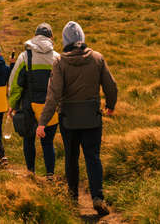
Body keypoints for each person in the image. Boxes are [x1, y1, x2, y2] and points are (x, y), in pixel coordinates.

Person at [37, 21, 117, 215]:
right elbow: (111, 86)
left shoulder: (60, 62)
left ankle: (72, 200)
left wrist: (42, 122)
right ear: (81, 38)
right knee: (93, 157)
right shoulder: (97, 58)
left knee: (71, 158)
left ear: (65, 41)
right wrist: (110, 106)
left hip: (69, 120)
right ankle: (97, 197)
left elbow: (53, 95)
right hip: (92, 118)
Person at [8, 23, 60, 178]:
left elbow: (15, 83)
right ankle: (50, 175)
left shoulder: (24, 57)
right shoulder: (57, 57)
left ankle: (31, 172)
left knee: (28, 140)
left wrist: (12, 105)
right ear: (51, 37)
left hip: (28, 105)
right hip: (51, 107)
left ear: (35, 36)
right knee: (48, 142)